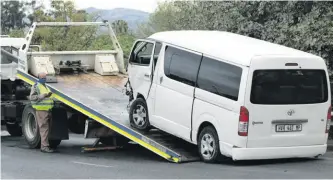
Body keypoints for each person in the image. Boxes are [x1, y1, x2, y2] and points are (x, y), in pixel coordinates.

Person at [29, 72, 54, 153]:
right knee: (44, 128)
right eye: (42, 78)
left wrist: (48, 95)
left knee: (47, 129)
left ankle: (46, 145)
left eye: (45, 78)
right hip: (41, 110)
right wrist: (42, 96)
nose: (44, 79)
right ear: (38, 78)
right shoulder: (36, 86)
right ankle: (44, 147)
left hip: (48, 110)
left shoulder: (45, 86)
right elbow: (32, 97)